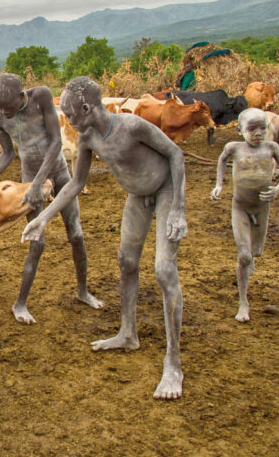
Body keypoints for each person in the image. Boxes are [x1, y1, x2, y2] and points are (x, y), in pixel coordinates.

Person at [22, 77, 188, 400]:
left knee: (164, 270)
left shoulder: (132, 126)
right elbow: (74, 185)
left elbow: (176, 155)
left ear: (85, 108)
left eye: (69, 114)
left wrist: (179, 209)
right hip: (138, 195)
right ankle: (128, 332)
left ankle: (173, 363)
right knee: (127, 261)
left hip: (166, 189)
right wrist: (42, 218)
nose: (67, 121)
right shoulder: (87, 139)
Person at [0, 73, 103, 324]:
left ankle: (83, 291)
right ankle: (20, 303)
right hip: (30, 179)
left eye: (9, 108)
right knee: (36, 242)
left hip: (60, 174)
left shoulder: (40, 97)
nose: (5, 114)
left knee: (75, 234)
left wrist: (40, 182)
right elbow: (8, 154)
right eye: (1, 109)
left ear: (22, 96)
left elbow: (55, 143)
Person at [210, 108, 279, 322]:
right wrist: (219, 185)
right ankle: (243, 302)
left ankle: (250, 258)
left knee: (256, 253)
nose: (258, 134)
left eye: (262, 128)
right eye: (252, 129)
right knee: (244, 255)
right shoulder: (233, 148)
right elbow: (222, 160)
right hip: (240, 207)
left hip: (262, 207)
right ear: (239, 130)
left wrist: (277, 189)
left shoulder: (271, 148)